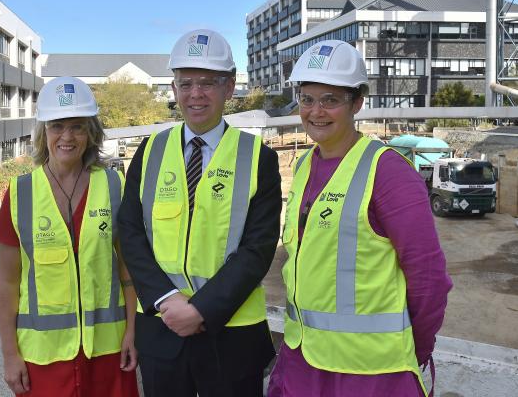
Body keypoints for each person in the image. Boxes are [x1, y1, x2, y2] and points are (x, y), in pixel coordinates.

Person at [267, 40, 452, 397]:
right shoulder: (305, 164)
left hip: (371, 374)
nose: (315, 111)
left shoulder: (388, 173)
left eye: (330, 100)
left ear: (357, 103)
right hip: (303, 359)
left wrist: (415, 350)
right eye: (307, 99)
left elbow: (429, 279)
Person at [118, 29, 282, 397]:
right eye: (186, 83)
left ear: (230, 86)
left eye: (208, 82)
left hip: (232, 335)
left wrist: (201, 310)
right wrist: (165, 298)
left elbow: (258, 250)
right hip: (163, 329)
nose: (195, 94)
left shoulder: (259, 158)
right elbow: (131, 231)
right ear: (173, 89)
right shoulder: (150, 151)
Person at [0, 76, 139, 397]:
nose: (67, 136)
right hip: (42, 359)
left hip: (108, 352)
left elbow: (128, 271)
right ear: (44, 131)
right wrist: (10, 354)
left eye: (78, 126)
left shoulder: (113, 185)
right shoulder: (20, 193)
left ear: (91, 132)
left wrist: (132, 331)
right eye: (57, 126)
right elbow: (7, 283)